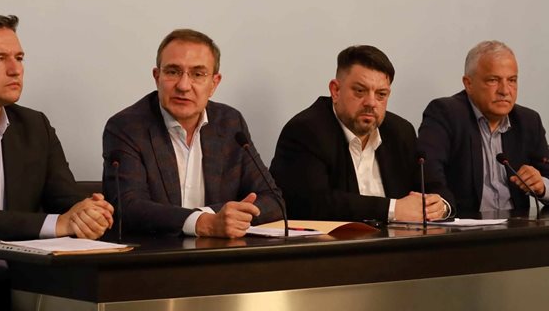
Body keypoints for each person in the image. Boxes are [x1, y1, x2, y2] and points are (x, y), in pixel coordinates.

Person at [0, 14, 114, 310]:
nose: (15, 70)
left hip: (30, 283)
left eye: (19, 58)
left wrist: (89, 211)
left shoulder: (35, 126)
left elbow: (64, 198)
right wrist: (59, 223)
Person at [102, 29, 283, 238]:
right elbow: (129, 207)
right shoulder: (127, 127)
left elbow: (273, 200)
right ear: (157, 77)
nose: (183, 86)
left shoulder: (230, 123)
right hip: (153, 254)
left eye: (198, 74)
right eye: (173, 72)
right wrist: (202, 222)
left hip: (219, 253)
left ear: (214, 83)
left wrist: (215, 218)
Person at [270, 45, 452, 223]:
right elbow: (314, 203)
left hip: (397, 241)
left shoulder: (400, 132)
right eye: (360, 91)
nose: (371, 102)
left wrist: (440, 206)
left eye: (381, 94)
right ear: (335, 90)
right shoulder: (306, 131)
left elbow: (435, 186)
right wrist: (392, 209)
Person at [418, 40, 549, 215]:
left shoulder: (528, 121)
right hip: (466, 227)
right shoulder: (445, 113)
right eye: (493, 80)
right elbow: (430, 175)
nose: (505, 90)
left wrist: (542, 186)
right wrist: (444, 208)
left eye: (512, 80)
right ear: (468, 84)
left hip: (517, 227)